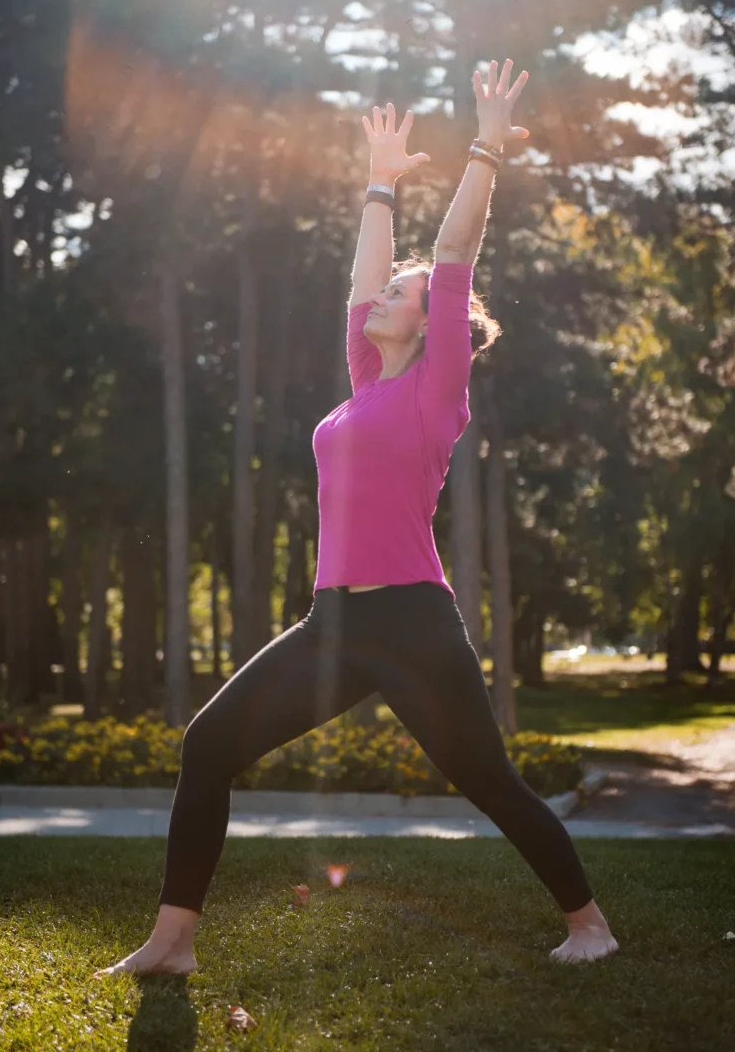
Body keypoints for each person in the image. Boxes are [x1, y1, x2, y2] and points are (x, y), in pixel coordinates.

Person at [94, 58, 618, 977]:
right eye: (388, 292)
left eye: (401, 296)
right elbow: (360, 281)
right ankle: (172, 943)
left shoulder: (435, 389)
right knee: (208, 744)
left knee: (489, 781)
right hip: (332, 621)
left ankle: (590, 922)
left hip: (413, 622)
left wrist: (485, 147)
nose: (384, 296)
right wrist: (379, 181)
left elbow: (452, 258)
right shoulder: (366, 382)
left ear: (431, 323)